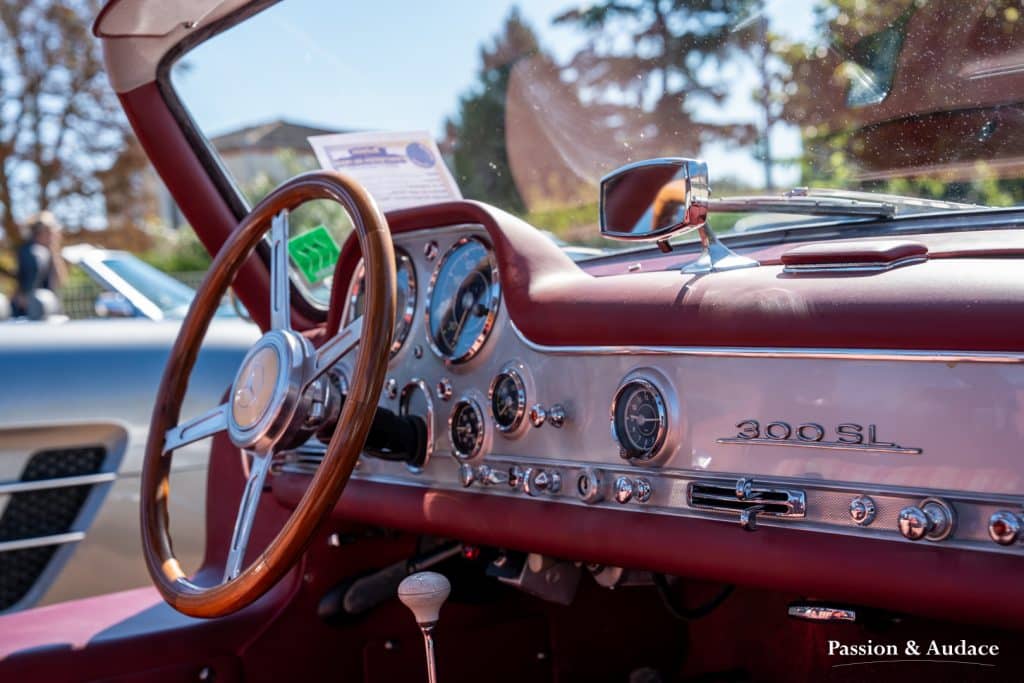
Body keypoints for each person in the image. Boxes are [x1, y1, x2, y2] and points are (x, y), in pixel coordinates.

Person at [13, 212, 67, 319]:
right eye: (53, 230)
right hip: (34, 311)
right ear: (42, 233)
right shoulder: (33, 253)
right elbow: (28, 285)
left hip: (44, 308)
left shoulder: (45, 252)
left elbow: (60, 281)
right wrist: (26, 297)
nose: (57, 234)